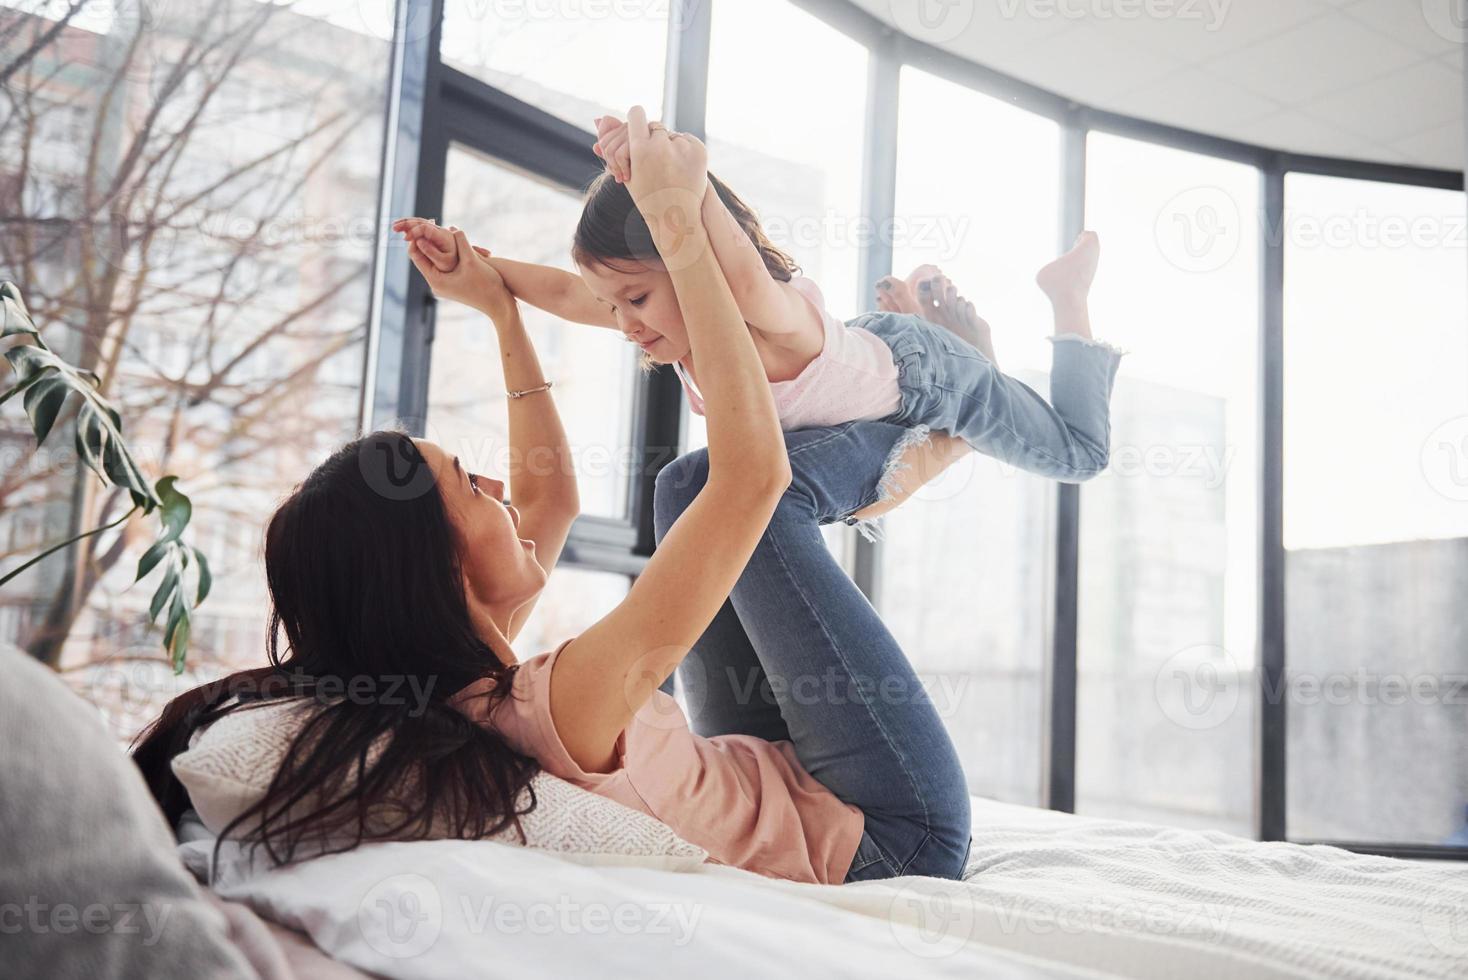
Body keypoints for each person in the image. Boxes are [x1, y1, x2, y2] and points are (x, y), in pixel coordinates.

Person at [133, 107, 970, 887]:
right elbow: (754, 476)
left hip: (784, 769)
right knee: (719, 490)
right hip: (897, 831)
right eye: (469, 484)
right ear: (440, 565)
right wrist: (679, 225)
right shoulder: (558, 700)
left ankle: (930, 415)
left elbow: (551, 500)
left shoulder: (471, 694)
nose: (499, 484)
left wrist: (503, 316)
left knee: (684, 485)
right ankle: (944, 416)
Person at [396, 115, 1123, 490]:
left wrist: (681, 184)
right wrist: (480, 268)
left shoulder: (755, 314)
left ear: (694, 262)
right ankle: (926, 320)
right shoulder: (671, 331)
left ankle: (1066, 302)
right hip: (864, 360)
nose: (623, 324)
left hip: (927, 377)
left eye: (636, 298)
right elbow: (562, 291)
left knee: (1079, 455)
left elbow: (738, 277)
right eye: (613, 305)